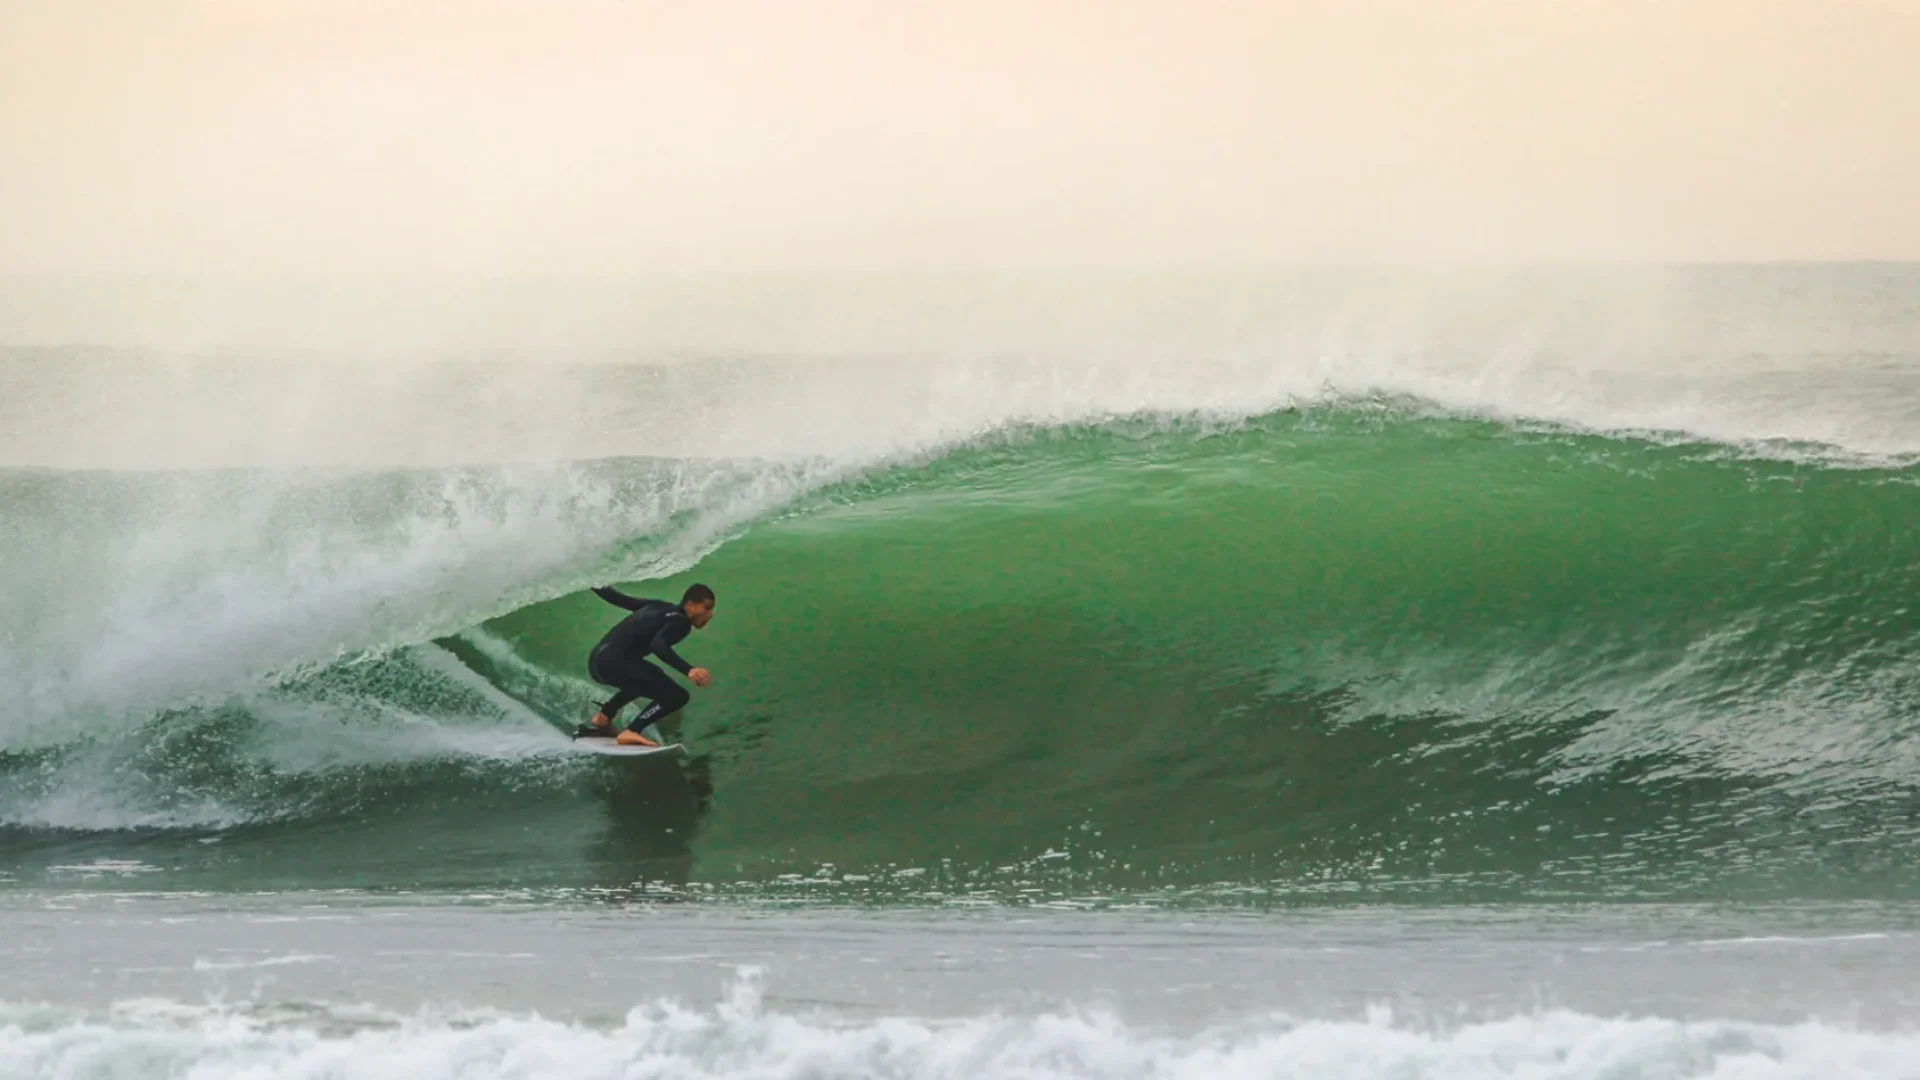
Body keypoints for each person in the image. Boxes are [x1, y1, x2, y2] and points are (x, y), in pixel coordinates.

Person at [580, 583, 715, 747]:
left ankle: (604, 717)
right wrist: (689, 670)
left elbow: (619, 599)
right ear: (690, 605)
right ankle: (633, 730)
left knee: (649, 676)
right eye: (707, 608)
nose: (710, 615)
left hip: (597, 661)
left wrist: (592, 581)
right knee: (677, 696)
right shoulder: (682, 622)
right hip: (615, 664)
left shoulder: (658, 606)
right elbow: (658, 645)